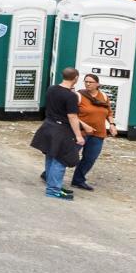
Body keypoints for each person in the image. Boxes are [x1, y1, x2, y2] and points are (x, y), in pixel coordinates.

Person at [30, 66, 88, 200]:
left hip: (48, 126)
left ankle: (53, 185)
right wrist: (79, 136)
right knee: (60, 160)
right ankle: (53, 190)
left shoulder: (52, 89)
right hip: (61, 131)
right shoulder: (71, 96)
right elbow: (72, 117)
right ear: (76, 78)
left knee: (51, 157)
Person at [71, 72, 112, 192]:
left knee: (90, 158)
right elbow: (72, 114)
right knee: (69, 154)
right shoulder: (79, 95)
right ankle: (50, 173)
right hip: (81, 132)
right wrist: (83, 125)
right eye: (86, 81)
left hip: (98, 133)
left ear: (97, 84)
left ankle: (78, 180)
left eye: (91, 82)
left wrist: (112, 125)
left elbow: (109, 112)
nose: (88, 84)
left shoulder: (103, 97)